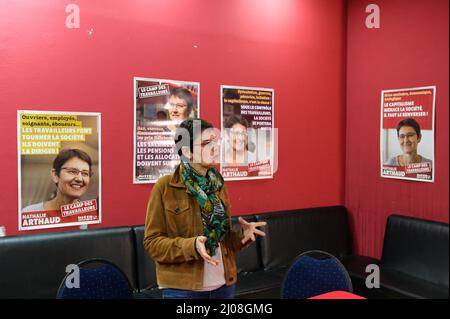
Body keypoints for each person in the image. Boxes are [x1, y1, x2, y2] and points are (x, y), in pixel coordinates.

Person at [143, 118, 267, 299]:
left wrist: (242, 236)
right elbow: (152, 243)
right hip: (183, 290)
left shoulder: (218, 184)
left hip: (224, 286)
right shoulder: (165, 187)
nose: (216, 147)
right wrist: (191, 245)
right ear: (187, 151)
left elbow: (223, 239)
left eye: (216, 141)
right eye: (207, 143)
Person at [22, 149, 93, 213]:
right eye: (72, 172)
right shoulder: (29, 213)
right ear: (55, 175)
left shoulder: (92, 215)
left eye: (85, 173)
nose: (80, 179)